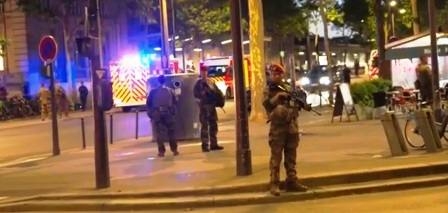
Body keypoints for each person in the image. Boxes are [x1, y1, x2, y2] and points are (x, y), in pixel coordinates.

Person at [263, 64, 308, 196]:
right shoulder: (269, 90)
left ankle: (292, 181)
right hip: (278, 128)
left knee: (291, 156)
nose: (277, 77)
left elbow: (298, 103)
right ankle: (274, 183)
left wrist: (299, 98)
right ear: (271, 75)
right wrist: (277, 97)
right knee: (276, 157)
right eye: (274, 74)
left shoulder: (287, 87)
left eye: (279, 74)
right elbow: (267, 104)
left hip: (291, 127)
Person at [146, 75, 179, 157]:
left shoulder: (153, 92)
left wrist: (151, 114)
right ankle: (174, 150)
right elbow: (175, 102)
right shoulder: (170, 90)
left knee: (159, 133)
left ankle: (161, 151)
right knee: (171, 132)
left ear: (157, 81)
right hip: (168, 113)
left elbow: (148, 104)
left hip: (157, 113)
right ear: (165, 81)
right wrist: (173, 112)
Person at [193, 66, 224, 152]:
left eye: (205, 71)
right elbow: (196, 96)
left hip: (212, 107)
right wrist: (201, 103)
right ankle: (205, 145)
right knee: (205, 128)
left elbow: (217, 92)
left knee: (213, 126)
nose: (204, 73)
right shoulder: (198, 84)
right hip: (204, 108)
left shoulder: (211, 82)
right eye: (203, 71)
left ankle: (214, 144)